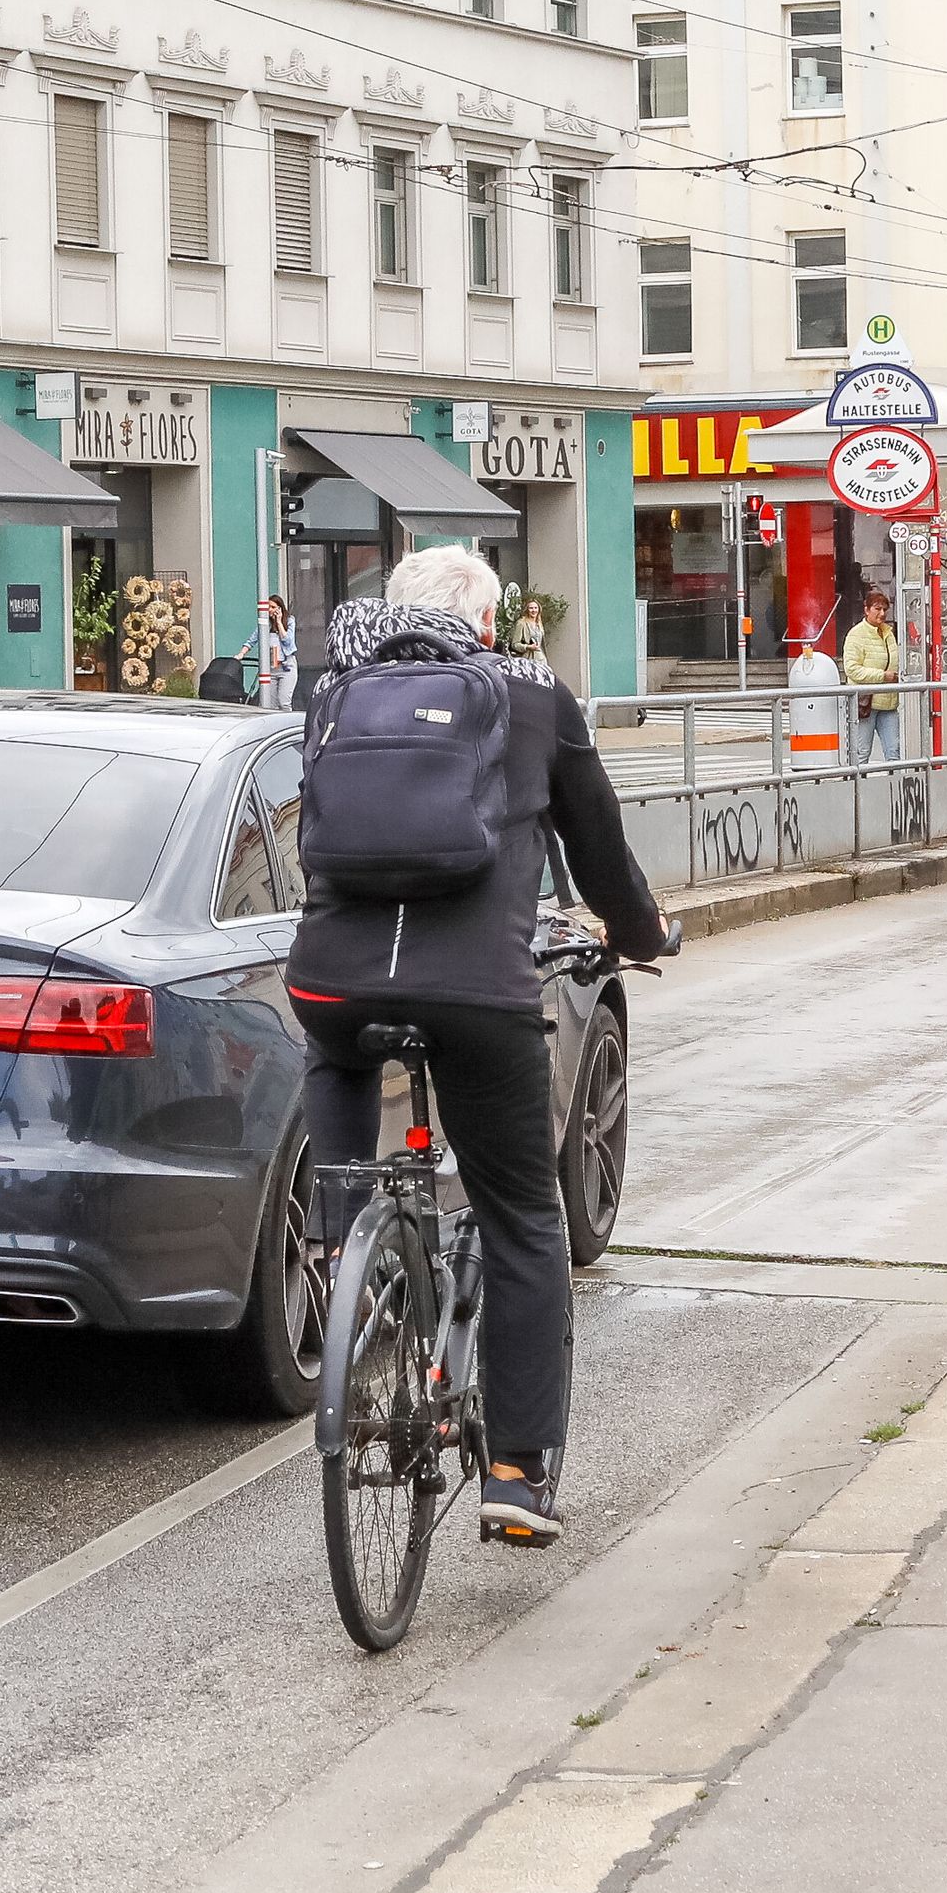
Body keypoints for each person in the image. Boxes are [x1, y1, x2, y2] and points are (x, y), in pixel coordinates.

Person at [286, 545, 667, 1551]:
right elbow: (598, 846)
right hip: (479, 992)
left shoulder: (331, 687)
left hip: (334, 978)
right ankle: (514, 1474)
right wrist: (637, 936)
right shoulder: (533, 694)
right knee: (521, 1216)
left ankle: (343, 1256)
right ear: (489, 626)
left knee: (336, 1065)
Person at [839, 586, 904, 767]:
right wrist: (883, 676)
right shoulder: (857, 634)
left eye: (884, 609)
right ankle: (859, 792)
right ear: (866, 610)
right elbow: (852, 669)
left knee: (894, 752)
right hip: (865, 703)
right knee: (861, 753)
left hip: (889, 702)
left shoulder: (888, 633)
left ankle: (894, 790)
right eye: (877, 609)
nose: (882, 613)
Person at [250, 593, 296, 704]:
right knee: (271, 702)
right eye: (268, 607)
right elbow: (253, 639)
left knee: (284, 701)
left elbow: (287, 640)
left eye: (273, 607)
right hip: (271, 667)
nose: (270, 610)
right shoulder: (265, 623)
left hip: (286, 666)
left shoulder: (289, 621)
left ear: (280, 608)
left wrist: (279, 622)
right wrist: (241, 654)